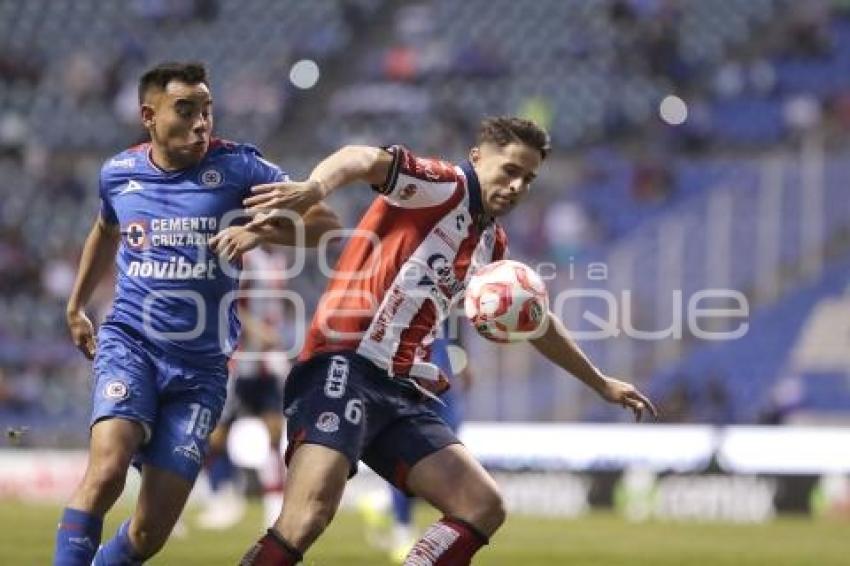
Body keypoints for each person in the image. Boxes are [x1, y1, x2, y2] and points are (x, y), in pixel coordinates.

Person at [239, 116, 657, 565]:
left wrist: (600, 383)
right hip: (344, 362)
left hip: (403, 390)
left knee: (481, 504)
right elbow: (359, 157)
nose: (517, 186)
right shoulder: (444, 185)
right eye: (510, 170)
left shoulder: (490, 244)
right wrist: (316, 187)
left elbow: (535, 320)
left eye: (529, 179)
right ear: (478, 158)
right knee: (306, 517)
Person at [54, 61, 339, 566]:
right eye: (186, 111)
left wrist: (257, 230)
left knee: (148, 534)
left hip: (201, 367)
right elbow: (104, 229)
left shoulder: (240, 168)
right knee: (106, 469)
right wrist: (76, 305)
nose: (202, 123)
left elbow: (323, 222)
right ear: (149, 115)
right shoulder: (119, 174)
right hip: (130, 344)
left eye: (207, 110)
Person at [198, 243, 291, 531]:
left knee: (276, 431)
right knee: (215, 435)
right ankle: (221, 495)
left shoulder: (279, 256)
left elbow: (274, 302)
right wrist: (256, 329)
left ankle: (275, 505)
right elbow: (230, 300)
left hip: (266, 361)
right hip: (238, 359)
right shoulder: (248, 256)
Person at [358, 331, 471, 563]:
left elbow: (454, 327)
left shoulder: (450, 304)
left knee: (447, 458)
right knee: (413, 455)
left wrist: (464, 362)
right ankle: (402, 530)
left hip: (442, 370)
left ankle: (383, 503)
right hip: (410, 369)